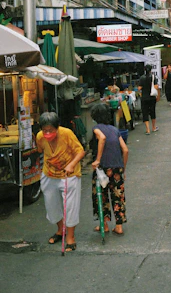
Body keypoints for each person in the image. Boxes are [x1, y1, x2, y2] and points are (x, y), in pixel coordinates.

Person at [35, 112, 85, 252]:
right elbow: (41, 150)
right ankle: (60, 230)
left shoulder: (67, 134)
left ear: (57, 128)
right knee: (51, 206)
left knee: (70, 206)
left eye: (51, 130)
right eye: (45, 130)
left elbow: (80, 151)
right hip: (49, 174)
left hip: (69, 175)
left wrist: (71, 164)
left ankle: (70, 237)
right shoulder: (40, 137)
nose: (48, 133)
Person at [91, 103, 129, 235]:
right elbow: (125, 150)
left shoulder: (96, 129)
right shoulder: (114, 129)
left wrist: (98, 159)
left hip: (102, 168)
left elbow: (102, 138)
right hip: (117, 166)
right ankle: (119, 226)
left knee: (101, 196)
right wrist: (122, 168)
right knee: (118, 196)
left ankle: (104, 224)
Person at [138, 64, 160, 135]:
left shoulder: (142, 78)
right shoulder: (153, 77)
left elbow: (139, 88)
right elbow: (156, 87)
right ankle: (153, 127)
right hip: (152, 97)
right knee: (152, 112)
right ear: (151, 69)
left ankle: (147, 129)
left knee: (145, 113)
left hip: (144, 98)